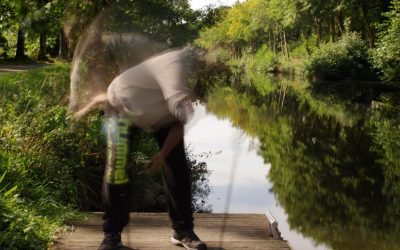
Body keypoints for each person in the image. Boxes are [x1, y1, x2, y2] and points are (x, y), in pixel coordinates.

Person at [74, 47, 207, 250]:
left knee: (177, 165)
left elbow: (177, 122)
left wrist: (162, 155)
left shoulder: (183, 71)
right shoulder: (175, 66)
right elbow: (181, 113)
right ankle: (111, 236)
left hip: (156, 112)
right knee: (117, 167)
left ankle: (182, 231)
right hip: (122, 106)